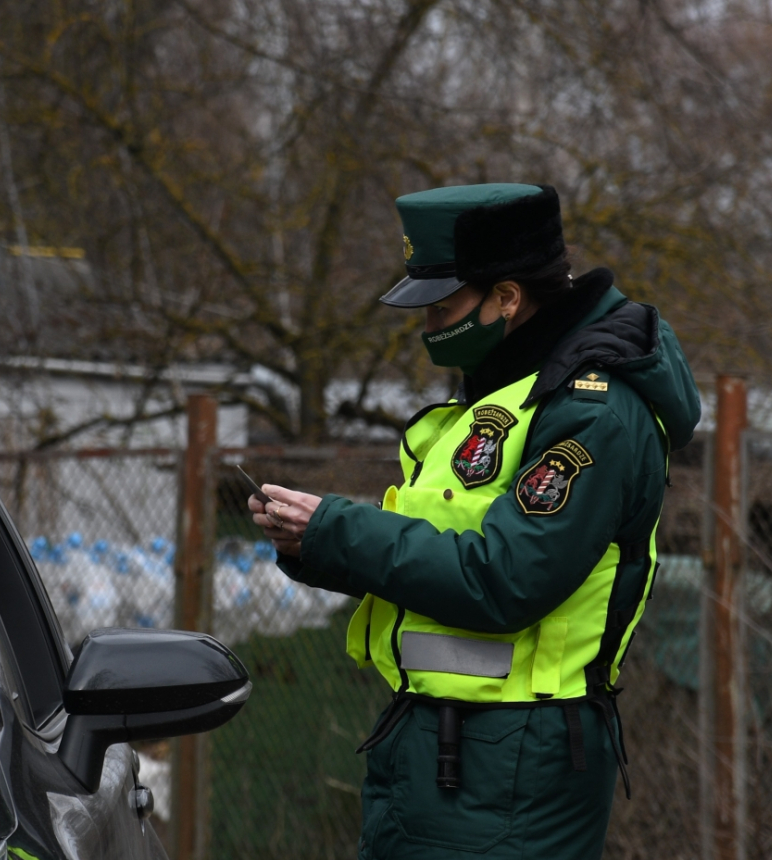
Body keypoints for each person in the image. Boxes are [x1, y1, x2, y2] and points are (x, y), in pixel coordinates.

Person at [248, 183, 700, 858]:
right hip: (446, 750)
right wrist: (314, 542)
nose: (427, 325)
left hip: (514, 763)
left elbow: (505, 578)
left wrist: (342, 530)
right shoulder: (505, 389)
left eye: (442, 307)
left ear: (508, 298)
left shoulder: (593, 410)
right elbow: (441, 552)